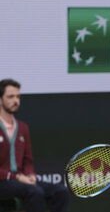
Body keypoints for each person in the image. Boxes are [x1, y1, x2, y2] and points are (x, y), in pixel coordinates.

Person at [0, 79, 69, 212]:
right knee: (35, 192)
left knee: (61, 192)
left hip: (21, 181)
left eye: (18, 97)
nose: (16, 101)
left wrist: (30, 174)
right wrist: (16, 177)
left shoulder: (23, 127)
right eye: (11, 97)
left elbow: (28, 161)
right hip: (3, 182)